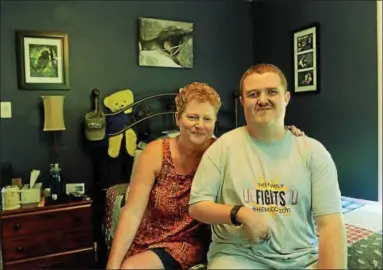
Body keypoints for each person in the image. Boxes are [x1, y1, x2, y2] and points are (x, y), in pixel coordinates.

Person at [106, 81, 305, 270]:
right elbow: (132, 212)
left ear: (214, 122)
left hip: (188, 242)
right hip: (147, 237)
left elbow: (257, 146)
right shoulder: (155, 152)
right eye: (192, 117)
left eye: (207, 119)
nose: (199, 125)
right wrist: (111, 266)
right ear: (178, 118)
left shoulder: (219, 150)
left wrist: (285, 133)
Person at [188, 64, 347, 269]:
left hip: (303, 258)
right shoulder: (222, 148)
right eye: (253, 94)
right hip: (239, 256)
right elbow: (197, 205)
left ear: (286, 98)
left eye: (271, 92)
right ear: (242, 101)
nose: (262, 100)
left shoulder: (314, 152)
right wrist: (239, 213)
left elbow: (330, 226)